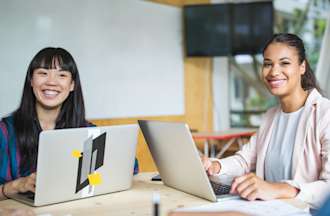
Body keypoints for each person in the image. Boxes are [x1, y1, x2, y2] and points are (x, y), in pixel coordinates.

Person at [202, 33, 330, 208]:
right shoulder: (271, 116)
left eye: (284, 63)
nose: (274, 72)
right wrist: (213, 165)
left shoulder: (325, 114)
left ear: (302, 67)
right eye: (268, 64)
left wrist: (280, 189)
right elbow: (244, 161)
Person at [0, 47, 138, 200]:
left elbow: (129, 168)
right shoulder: (5, 131)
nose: (52, 82)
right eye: (43, 73)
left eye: (62, 75)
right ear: (31, 81)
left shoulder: (88, 132)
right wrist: (13, 186)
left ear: (72, 85)